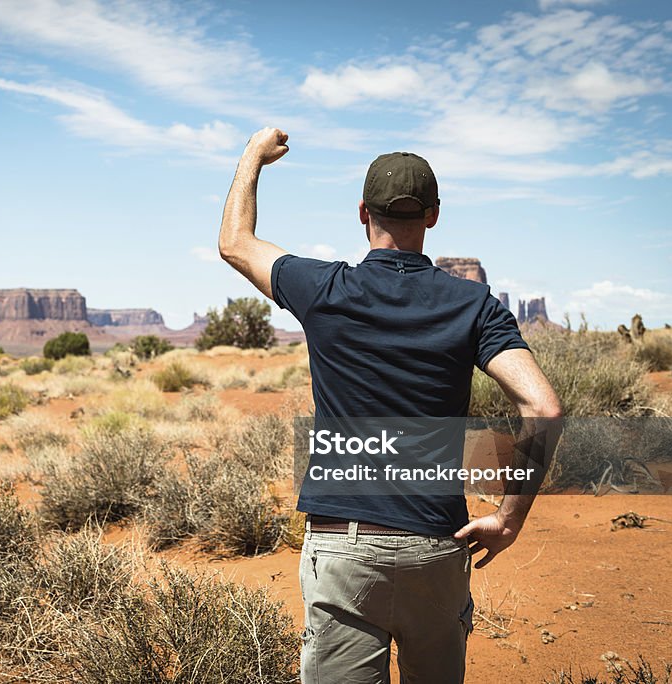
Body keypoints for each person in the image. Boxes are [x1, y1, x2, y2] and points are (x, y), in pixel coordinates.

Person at [218, 128, 563, 683]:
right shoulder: (474, 303)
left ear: (362, 213)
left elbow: (235, 242)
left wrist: (253, 155)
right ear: (432, 216)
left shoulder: (323, 289)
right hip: (436, 544)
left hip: (343, 546)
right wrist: (507, 518)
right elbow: (543, 408)